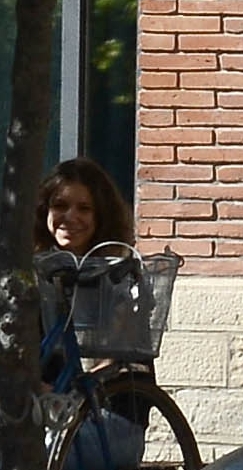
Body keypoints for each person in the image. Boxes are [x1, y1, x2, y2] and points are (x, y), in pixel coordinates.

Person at [33, 158, 141, 470]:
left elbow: (115, 363)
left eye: (84, 208)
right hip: (55, 416)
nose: (70, 217)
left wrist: (65, 393)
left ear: (100, 217)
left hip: (107, 421)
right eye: (60, 205)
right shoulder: (41, 273)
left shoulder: (114, 278)